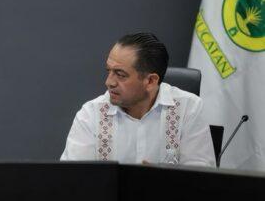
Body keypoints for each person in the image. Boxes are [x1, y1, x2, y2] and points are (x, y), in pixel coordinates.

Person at [60, 32, 214, 166]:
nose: (109, 82)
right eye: (109, 71)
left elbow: (200, 177)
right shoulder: (91, 114)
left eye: (120, 74)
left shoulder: (188, 109)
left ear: (150, 81)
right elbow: (74, 178)